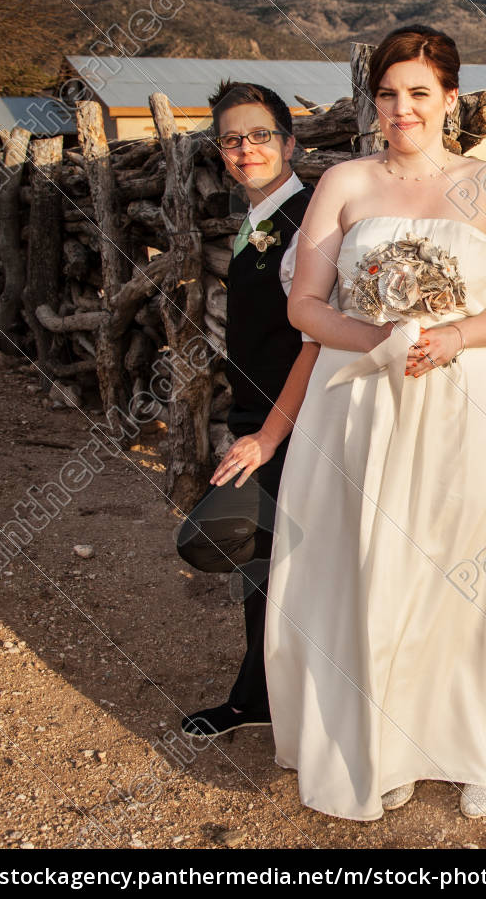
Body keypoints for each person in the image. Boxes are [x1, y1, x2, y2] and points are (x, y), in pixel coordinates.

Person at [264, 25, 486, 821]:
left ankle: (473, 741)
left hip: (456, 399)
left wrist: (451, 334)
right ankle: (386, 742)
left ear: (452, 98)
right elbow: (303, 304)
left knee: (454, 568)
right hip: (357, 397)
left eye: (420, 93)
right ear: (373, 101)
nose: (402, 108)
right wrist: (381, 339)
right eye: (388, 93)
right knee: (366, 565)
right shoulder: (343, 181)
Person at [174, 81, 321, 739]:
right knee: (262, 564)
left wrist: (268, 432)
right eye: (232, 138)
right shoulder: (256, 219)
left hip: (295, 425)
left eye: (260, 134)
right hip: (253, 418)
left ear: (289, 142)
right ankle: (256, 694)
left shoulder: (309, 221)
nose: (245, 148)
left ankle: (311, 694)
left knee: (211, 536)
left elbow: (317, 342)